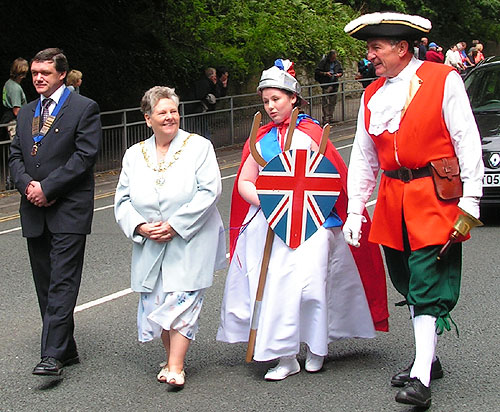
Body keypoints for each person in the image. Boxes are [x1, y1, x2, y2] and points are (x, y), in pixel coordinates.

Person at [217, 59, 388, 381]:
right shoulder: (259, 138)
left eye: (276, 99)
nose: (270, 106)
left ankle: (317, 347)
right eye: (266, 101)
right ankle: (284, 355)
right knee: (275, 289)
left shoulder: (310, 134)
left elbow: (329, 181)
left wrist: (299, 206)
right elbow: (244, 182)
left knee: (311, 287)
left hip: (313, 223)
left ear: (293, 98)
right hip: (269, 224)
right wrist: (271, 203)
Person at [344, 13, 484, 408]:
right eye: (369, 48)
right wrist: (357, 208)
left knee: (425, 280)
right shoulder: (371, 95)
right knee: (406, 280)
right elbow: (364, 156)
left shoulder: (443, 79)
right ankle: (430, 358)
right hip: (392, 198)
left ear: (402, 48)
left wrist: (470, 201)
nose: (370, 55)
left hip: (434, 196)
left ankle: (421, 375)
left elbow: (467, 140)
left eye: (376, 48)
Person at [114, 86, 226, 389]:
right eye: (162, 112)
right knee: (158, 303)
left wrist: (176, 224)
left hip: (191, 239)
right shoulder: (134, 155)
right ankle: (172, 358)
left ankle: (176, 366)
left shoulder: (199, 147)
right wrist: (140, 226)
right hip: (151, 243)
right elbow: (122, 200)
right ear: (148, 118)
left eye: (173, 111)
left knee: (184, 300)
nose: (170, 117)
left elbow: (210, 191)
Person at [8, 48, 102, 376]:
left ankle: (51, 356)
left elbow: (84, 156)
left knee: (63, 281)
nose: (37, 78)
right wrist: (28, 187)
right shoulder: (27, 112)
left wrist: (48, 187)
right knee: (45, 282)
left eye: (44, 73)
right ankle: (68, 348)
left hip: (68, 209)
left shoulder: (83, 108)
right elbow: (16, 156)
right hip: (33, 209)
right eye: (34, 73)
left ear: (61, 74)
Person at [1, 57, 29, 140]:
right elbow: (17, 111)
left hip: (7, 118)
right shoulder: (15, 88)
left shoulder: (8, 83)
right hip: (13, 121)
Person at [314, 50, 343, 125]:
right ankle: (326, 118)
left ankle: (331, 117)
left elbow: (341, 71)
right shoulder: (324, 62)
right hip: (326, 84)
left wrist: (339, 74)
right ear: (330, 57)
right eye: (332, 58)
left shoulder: (337, 63)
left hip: (334, 83)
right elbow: (317, 71)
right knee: (326, 102)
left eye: (334, 58)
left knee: (333, 101)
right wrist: (325, 73)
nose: (333, 59)